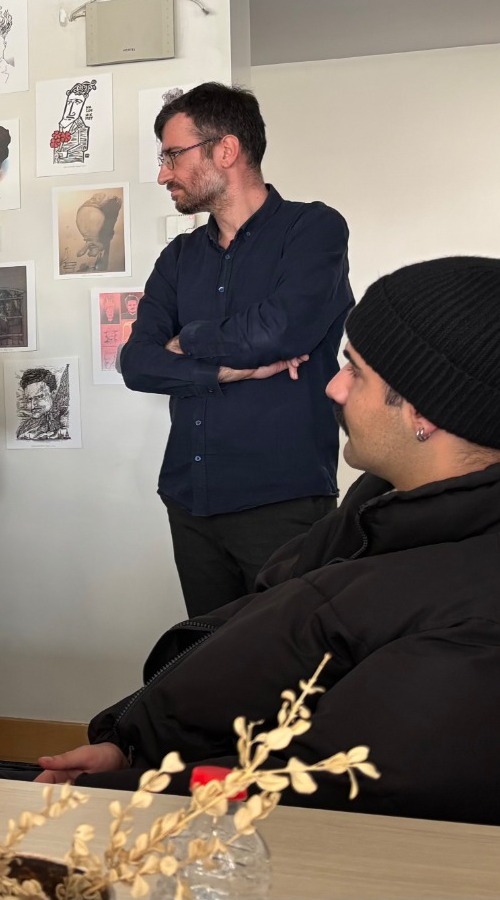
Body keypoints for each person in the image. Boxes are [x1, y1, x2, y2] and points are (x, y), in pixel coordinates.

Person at [39, 258, 500, 831]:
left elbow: (314, 797)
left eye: (355, 370)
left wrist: (121, 792)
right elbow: (258, 632)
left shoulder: (496, 636)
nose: (333, 387)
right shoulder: (387, 505)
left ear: (424, 412)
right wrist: (128, 743)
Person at [120, 83, 353, 617]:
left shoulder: (313, 229)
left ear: (225, 150)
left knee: (289, 654)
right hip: (190, 498)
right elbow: (136, 364)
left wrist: (189, 340)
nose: (163, 174)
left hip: (283, 501)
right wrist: (228, 372)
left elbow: (281, 331)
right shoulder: (179, 257)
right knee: (209, 654)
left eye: (172, 155)